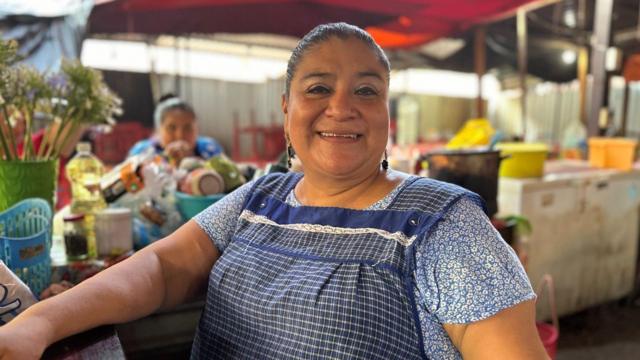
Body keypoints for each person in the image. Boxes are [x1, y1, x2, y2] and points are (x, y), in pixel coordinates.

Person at [0, 23, 548, 359]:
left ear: (385, 113)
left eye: (366, 90)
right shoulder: (261, 198)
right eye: (318, 88)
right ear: (287, 109)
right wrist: (38, 323)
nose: (342, 106)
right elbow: (163, 269)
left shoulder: (444, 227)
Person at [128, 95, 224, 166]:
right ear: (158, 130)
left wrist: (194, 162)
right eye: (171, 128)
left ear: (197, 129)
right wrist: (165, 160)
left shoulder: (209, 148)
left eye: (188, 128)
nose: (180, 135)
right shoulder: (142, 152)